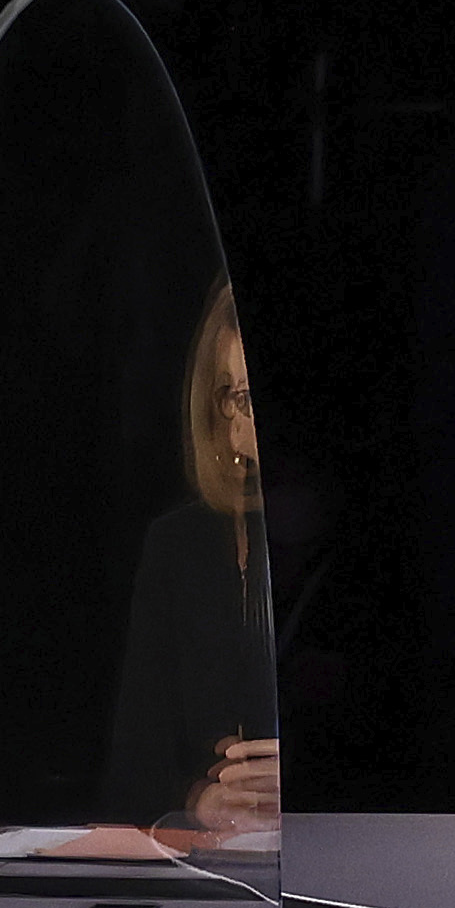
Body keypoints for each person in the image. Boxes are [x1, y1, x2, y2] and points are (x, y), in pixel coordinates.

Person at [99, 291, 280, 841]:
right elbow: (133, 765)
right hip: (229, 866)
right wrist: (205, 798)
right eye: (247, 399)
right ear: (223, 411)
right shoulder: (180, 544)